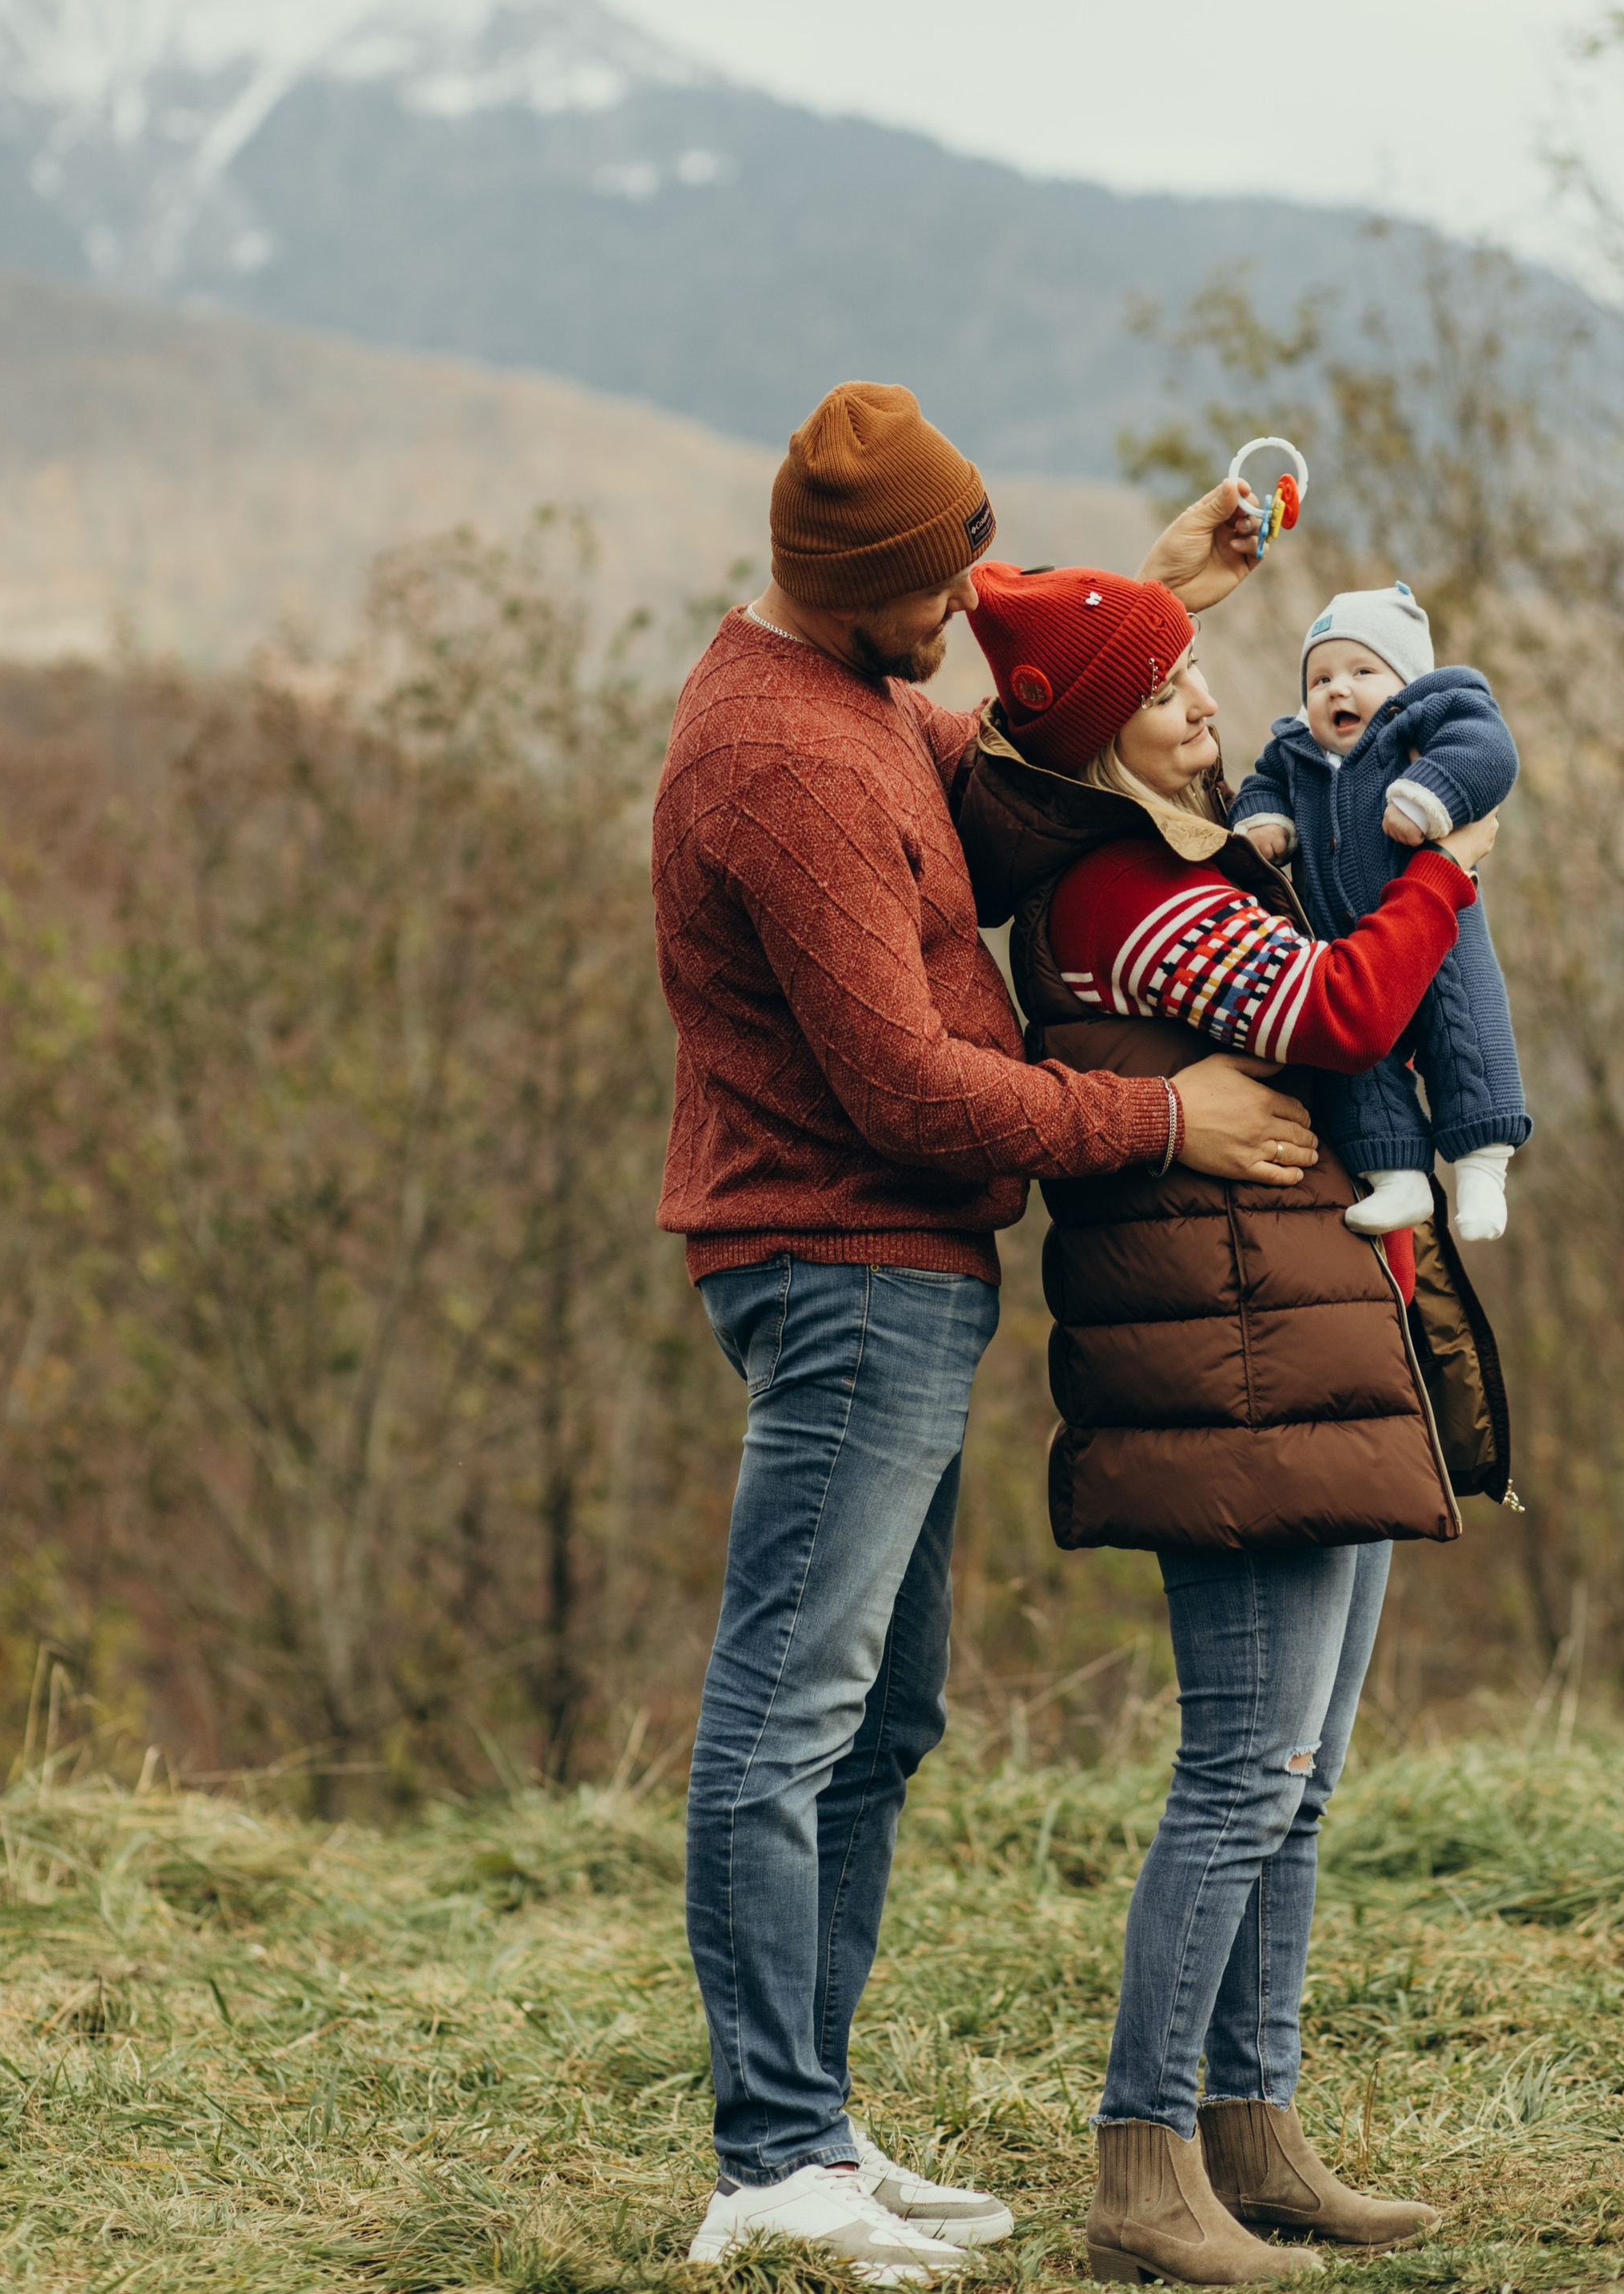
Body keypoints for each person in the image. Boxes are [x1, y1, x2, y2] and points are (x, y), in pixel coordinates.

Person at [653, 382, 1314, 2284]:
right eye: (944, 577)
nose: (966, 600)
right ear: (860, 583)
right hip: (841, 1256)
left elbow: (989, 760)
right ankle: (771, 2159)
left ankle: (817, 2126)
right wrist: (1157, 1117)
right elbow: (906, 1090)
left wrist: (1156, 587)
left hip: (904, 1275)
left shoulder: (852, 700)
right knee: (784, 1716)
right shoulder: (777, 759)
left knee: (880, 1709)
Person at [960, 561, 1515, 2287]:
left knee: (1301, 1778)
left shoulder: (1190, 859)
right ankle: (1143, 2168)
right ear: (1091, 742)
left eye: (1201, 670)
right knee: (1239, 1774)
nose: (1208, 703)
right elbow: (1344, 1010)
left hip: (1292, 1341)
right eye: (1164, 690)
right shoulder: (1131, 894)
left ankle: (1252, 2133)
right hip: (1235, 1378)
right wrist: (1440, 876)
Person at [1229, 582, 1531, 1239]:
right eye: (1321, 677)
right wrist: (1262, 821)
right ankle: (1400, 1179)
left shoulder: (1434, 713)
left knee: (1467, 1038)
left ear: (1405, 681)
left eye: (1362, 671)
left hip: (1440, 929)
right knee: (1356, 1066)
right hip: (1345, 945)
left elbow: (1490, 752)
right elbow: (1261, 784)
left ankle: (1482, 1168)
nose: (1338, 689)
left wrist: (1430, 797)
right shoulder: (1295, 751)